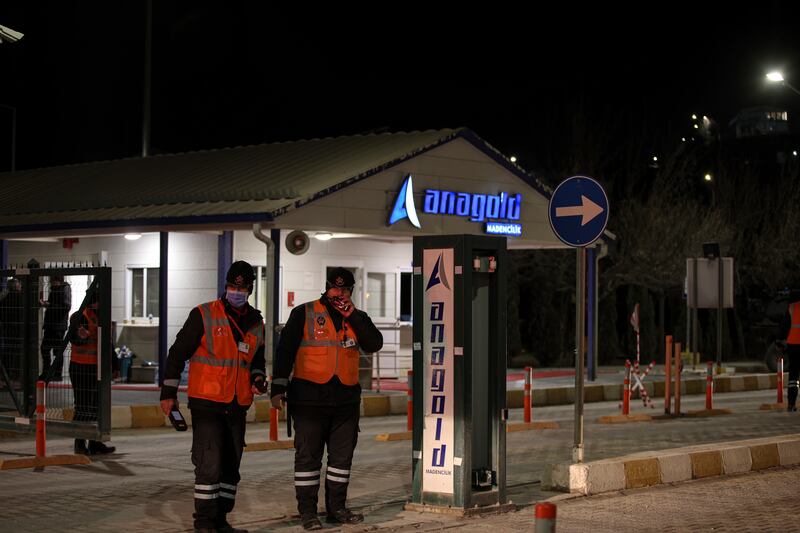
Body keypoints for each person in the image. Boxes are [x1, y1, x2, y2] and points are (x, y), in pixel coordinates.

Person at [271, 267, 383, 530]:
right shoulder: (304, 313)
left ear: (351, 291)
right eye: (335, 288)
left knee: (341, 460)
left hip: (345, 400)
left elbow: (374, 343)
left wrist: (353, 315)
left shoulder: (358, 317)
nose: (340, 294)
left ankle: (337, 509)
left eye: (345, 290)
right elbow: (285, 351)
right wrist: (278, 388)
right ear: (326, 288)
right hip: (309, 400)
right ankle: (308, 513)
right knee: (308, 460)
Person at [160, 260, 267, 533]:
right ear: (225, 286)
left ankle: (221, 520)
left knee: (231, 467)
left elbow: (256, 360)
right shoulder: (204, 314)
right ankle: (204, 524)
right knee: (210, 465)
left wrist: (257, 377)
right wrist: (168, 393)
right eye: (232, 286)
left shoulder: (256, 322)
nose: (236, 291)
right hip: (207, 402)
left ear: (251, 288)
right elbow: (177, 354)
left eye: (242, 287)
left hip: (237, 404)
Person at [68, 292, 116, 455]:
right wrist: (81, 337)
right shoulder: (80, 316)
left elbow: (109, 343)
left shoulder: (103, 317)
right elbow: (74, 338)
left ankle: (95, 443)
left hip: (98, 369)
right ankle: (79, 443)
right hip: (81, 368)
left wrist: (114, 365)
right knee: (83, 407)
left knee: (97, 407)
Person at [40, 275, 71, 382]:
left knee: (56, 351)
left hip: (58, 325)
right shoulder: (55, 289)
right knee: (45, 349)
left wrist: (49, 305)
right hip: (51, 324)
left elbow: (66, 307)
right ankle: (47, 372)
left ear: (58, 280)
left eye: (52, 281)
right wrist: (47, 304)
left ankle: (56, 374)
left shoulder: (64, 289)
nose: (51, 283)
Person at [779, 295, 800, 412]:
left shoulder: (792, 307)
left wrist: (779, 340)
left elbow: (784, 326)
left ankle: (791, 404)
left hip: (793, 344)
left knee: (793, 376)